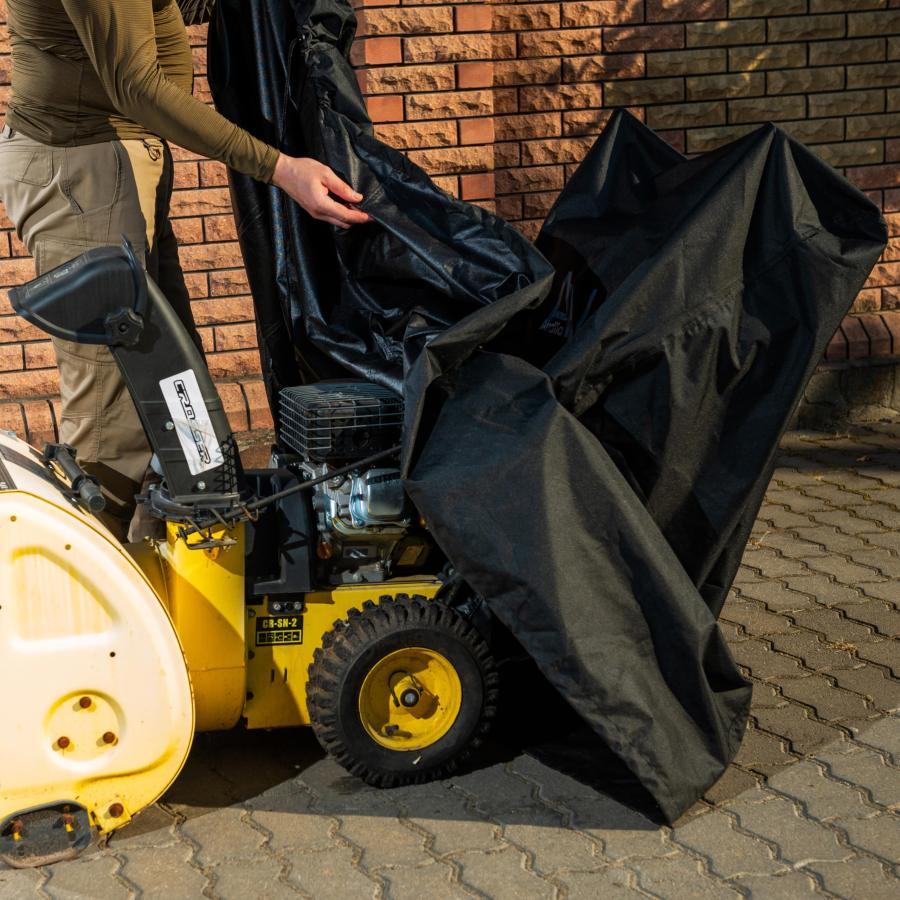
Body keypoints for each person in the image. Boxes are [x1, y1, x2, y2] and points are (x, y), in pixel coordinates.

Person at [0, 0, 369, 540]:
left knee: (175, 395)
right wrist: (279, 167)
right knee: (116, 421)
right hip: (85, 174)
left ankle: (172, 590)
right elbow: (136, 84)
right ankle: (86, 605)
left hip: (114, 167)